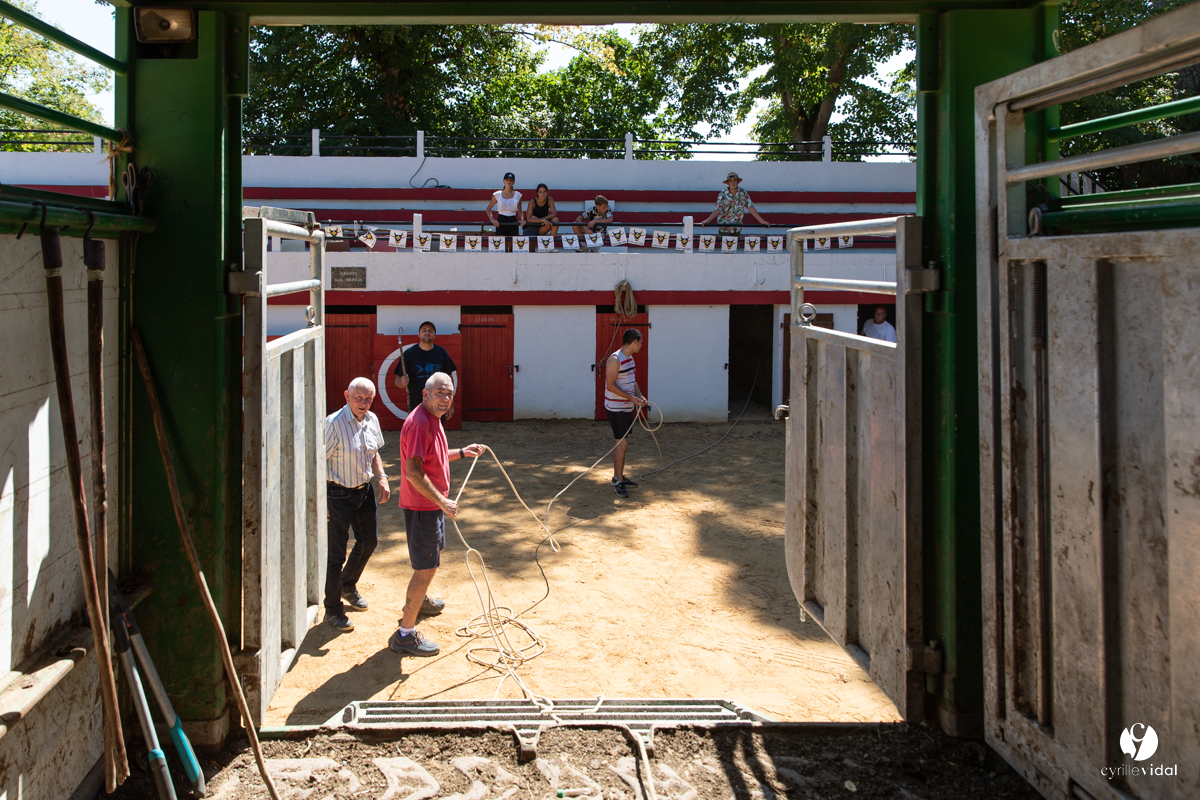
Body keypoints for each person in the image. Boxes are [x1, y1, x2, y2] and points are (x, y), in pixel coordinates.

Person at [390, 372, 486, 656]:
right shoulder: (420, 423)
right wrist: (443, 501)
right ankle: (405, 634)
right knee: (426, 568)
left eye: (449, 394)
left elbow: (436, 456)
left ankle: (420, 601)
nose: (445, 399)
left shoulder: (432, 418)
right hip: (424, 507)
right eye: (440, 393)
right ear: (425, 394)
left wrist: (463, 452)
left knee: (432, 557)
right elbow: (413, 472)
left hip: (431, 505)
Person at [323, 377, 389, 632]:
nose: (363, 403)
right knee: (336, 555)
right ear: (346, 396)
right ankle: (332, 609)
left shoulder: (372, 419)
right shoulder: (333, 424)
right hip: (337, 495)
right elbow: (317, 461)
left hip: (364, 492)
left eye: (368, 398)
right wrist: (321, 500)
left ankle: (347, 585)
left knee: (369, 542)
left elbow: (374, 453)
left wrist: (382, 477)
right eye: (358, 398)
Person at [604, 329, 647, 498]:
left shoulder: (629, 358)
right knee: (621, 444)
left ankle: (618, 476)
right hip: (616, 409)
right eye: (640, 342)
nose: (641, 345)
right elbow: (610, 385)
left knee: (623, 443)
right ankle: (618, 481)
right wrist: (631, 398)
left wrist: (639, 396)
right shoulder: (615, 359)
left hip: (627, 407)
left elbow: (632, 381)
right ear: (635, 341)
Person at [393, 321, 458, 416]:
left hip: (438, 405)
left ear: (434, 335)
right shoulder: (408, 354)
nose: (427, 332)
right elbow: (397, 381)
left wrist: (450, 404)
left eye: (430, 331)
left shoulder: (442, 353)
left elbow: (449, 380)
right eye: (424, 330)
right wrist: (402, 382)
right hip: (415, 406)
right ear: (419, 334)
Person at [700, 172, 771, 235]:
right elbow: (717, 209)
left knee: (735, 245)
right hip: (724, 228)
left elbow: (750, 207)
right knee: (725, 245)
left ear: (738, 182)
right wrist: (707, 220)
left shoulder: (743, 193)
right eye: (730, 181)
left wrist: (762, 221)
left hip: (737, 228)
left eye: (735, 181)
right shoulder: (723, 193)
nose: (733, 183)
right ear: (727, 183)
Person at [485, 172, 523, 249]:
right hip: (501, 220)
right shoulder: (497, 195)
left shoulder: (518, 195)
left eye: (511, 180)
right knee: (502, 246)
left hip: (513, 220)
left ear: (513, 182)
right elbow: (488, 209)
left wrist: (521, 219)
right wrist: (492, 219)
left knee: (512, 246)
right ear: (504, 181)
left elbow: (520, 210)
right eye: (507, 180)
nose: (509, 181)